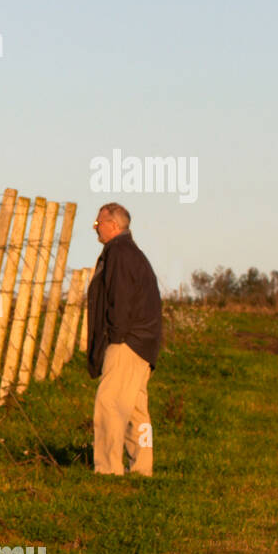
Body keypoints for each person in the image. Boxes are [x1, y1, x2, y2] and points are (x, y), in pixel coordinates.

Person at [86, 203, 162, 475]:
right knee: (137, 414)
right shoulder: (132, 253)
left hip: (127, 342)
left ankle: (107, 468)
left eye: (98, 223)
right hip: (145, 343)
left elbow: (120, 298)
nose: (95, 228)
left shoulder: (118, 252)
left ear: (114, 225)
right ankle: (143, 467)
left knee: (109, 405)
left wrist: (115, 338)